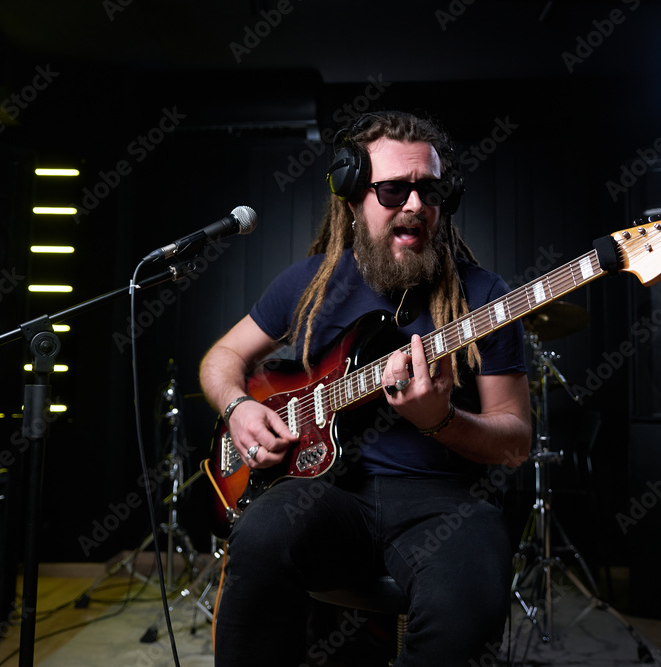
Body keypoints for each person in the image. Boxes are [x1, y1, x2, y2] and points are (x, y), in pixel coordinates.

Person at [200, 110, 531, 666]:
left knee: (467, 602)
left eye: (430, 191)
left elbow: (515, 440)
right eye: (394, 190)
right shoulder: (308, 283)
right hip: (328, 493)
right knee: (256, 544)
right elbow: (222, 357)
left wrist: (441, 421)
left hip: (445, 501)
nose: (415, 206)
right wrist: (237, 407)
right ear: (352, 197)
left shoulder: (486, 297)